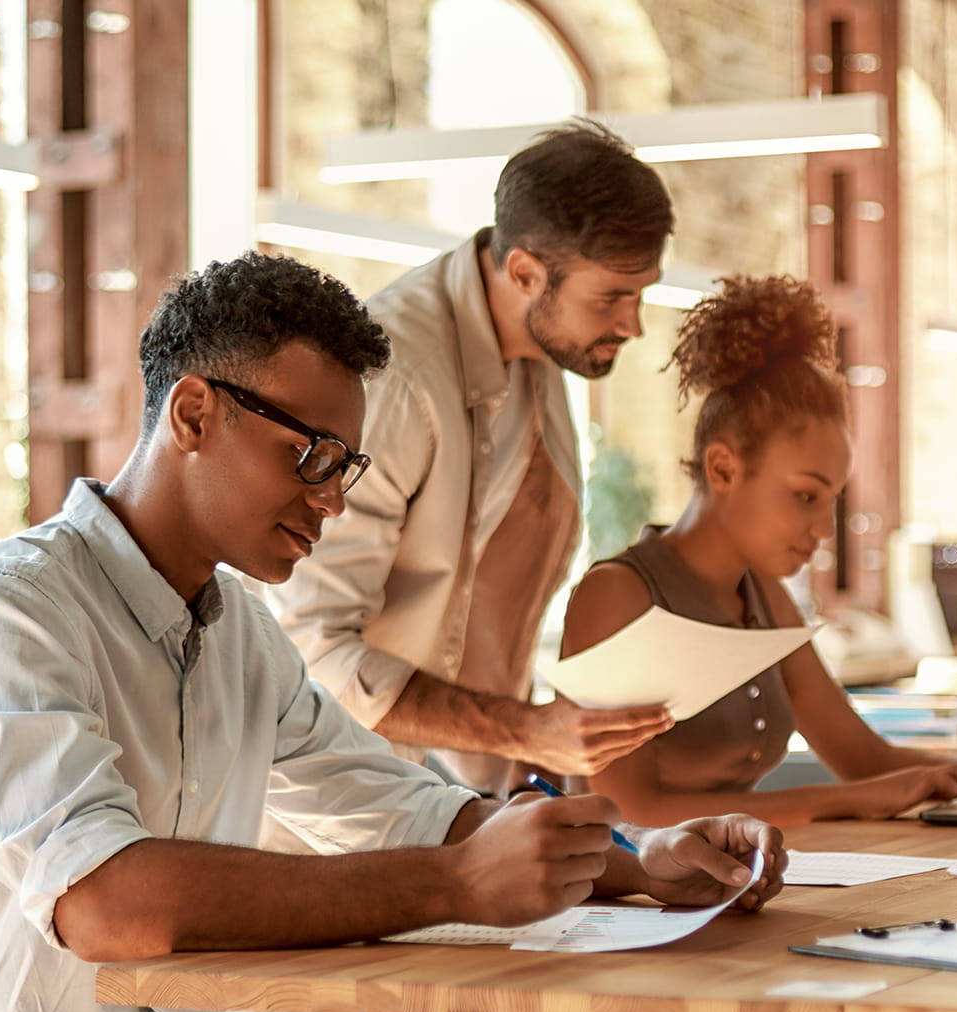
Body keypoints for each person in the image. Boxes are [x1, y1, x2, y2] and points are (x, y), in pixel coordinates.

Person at [0, 253, 784, 1012]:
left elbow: (399, 805)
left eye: (347, 466)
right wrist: (456, 884)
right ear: (192, 416)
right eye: (310, 456)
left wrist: (639, 863)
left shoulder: (239, 635)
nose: (333, 499)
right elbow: (105, 902)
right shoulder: (8, 611)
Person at [560, 275, 957, 827]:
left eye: (831, 500)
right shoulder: (618, 596)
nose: (823, 528)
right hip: (630, 907)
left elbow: (865, 761)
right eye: (805, 495)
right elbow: (628, 813)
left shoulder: (765, 598)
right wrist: (845, 801)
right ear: (723, 467)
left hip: (730, 883)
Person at [271, 121, 678, 794]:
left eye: (641, 292)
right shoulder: (396, 379)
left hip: (461, 795)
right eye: (612, 296)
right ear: (524, 272)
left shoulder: (542, 351)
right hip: (342, 812)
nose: (633, 323)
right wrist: (524, 729)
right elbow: (314, 650)